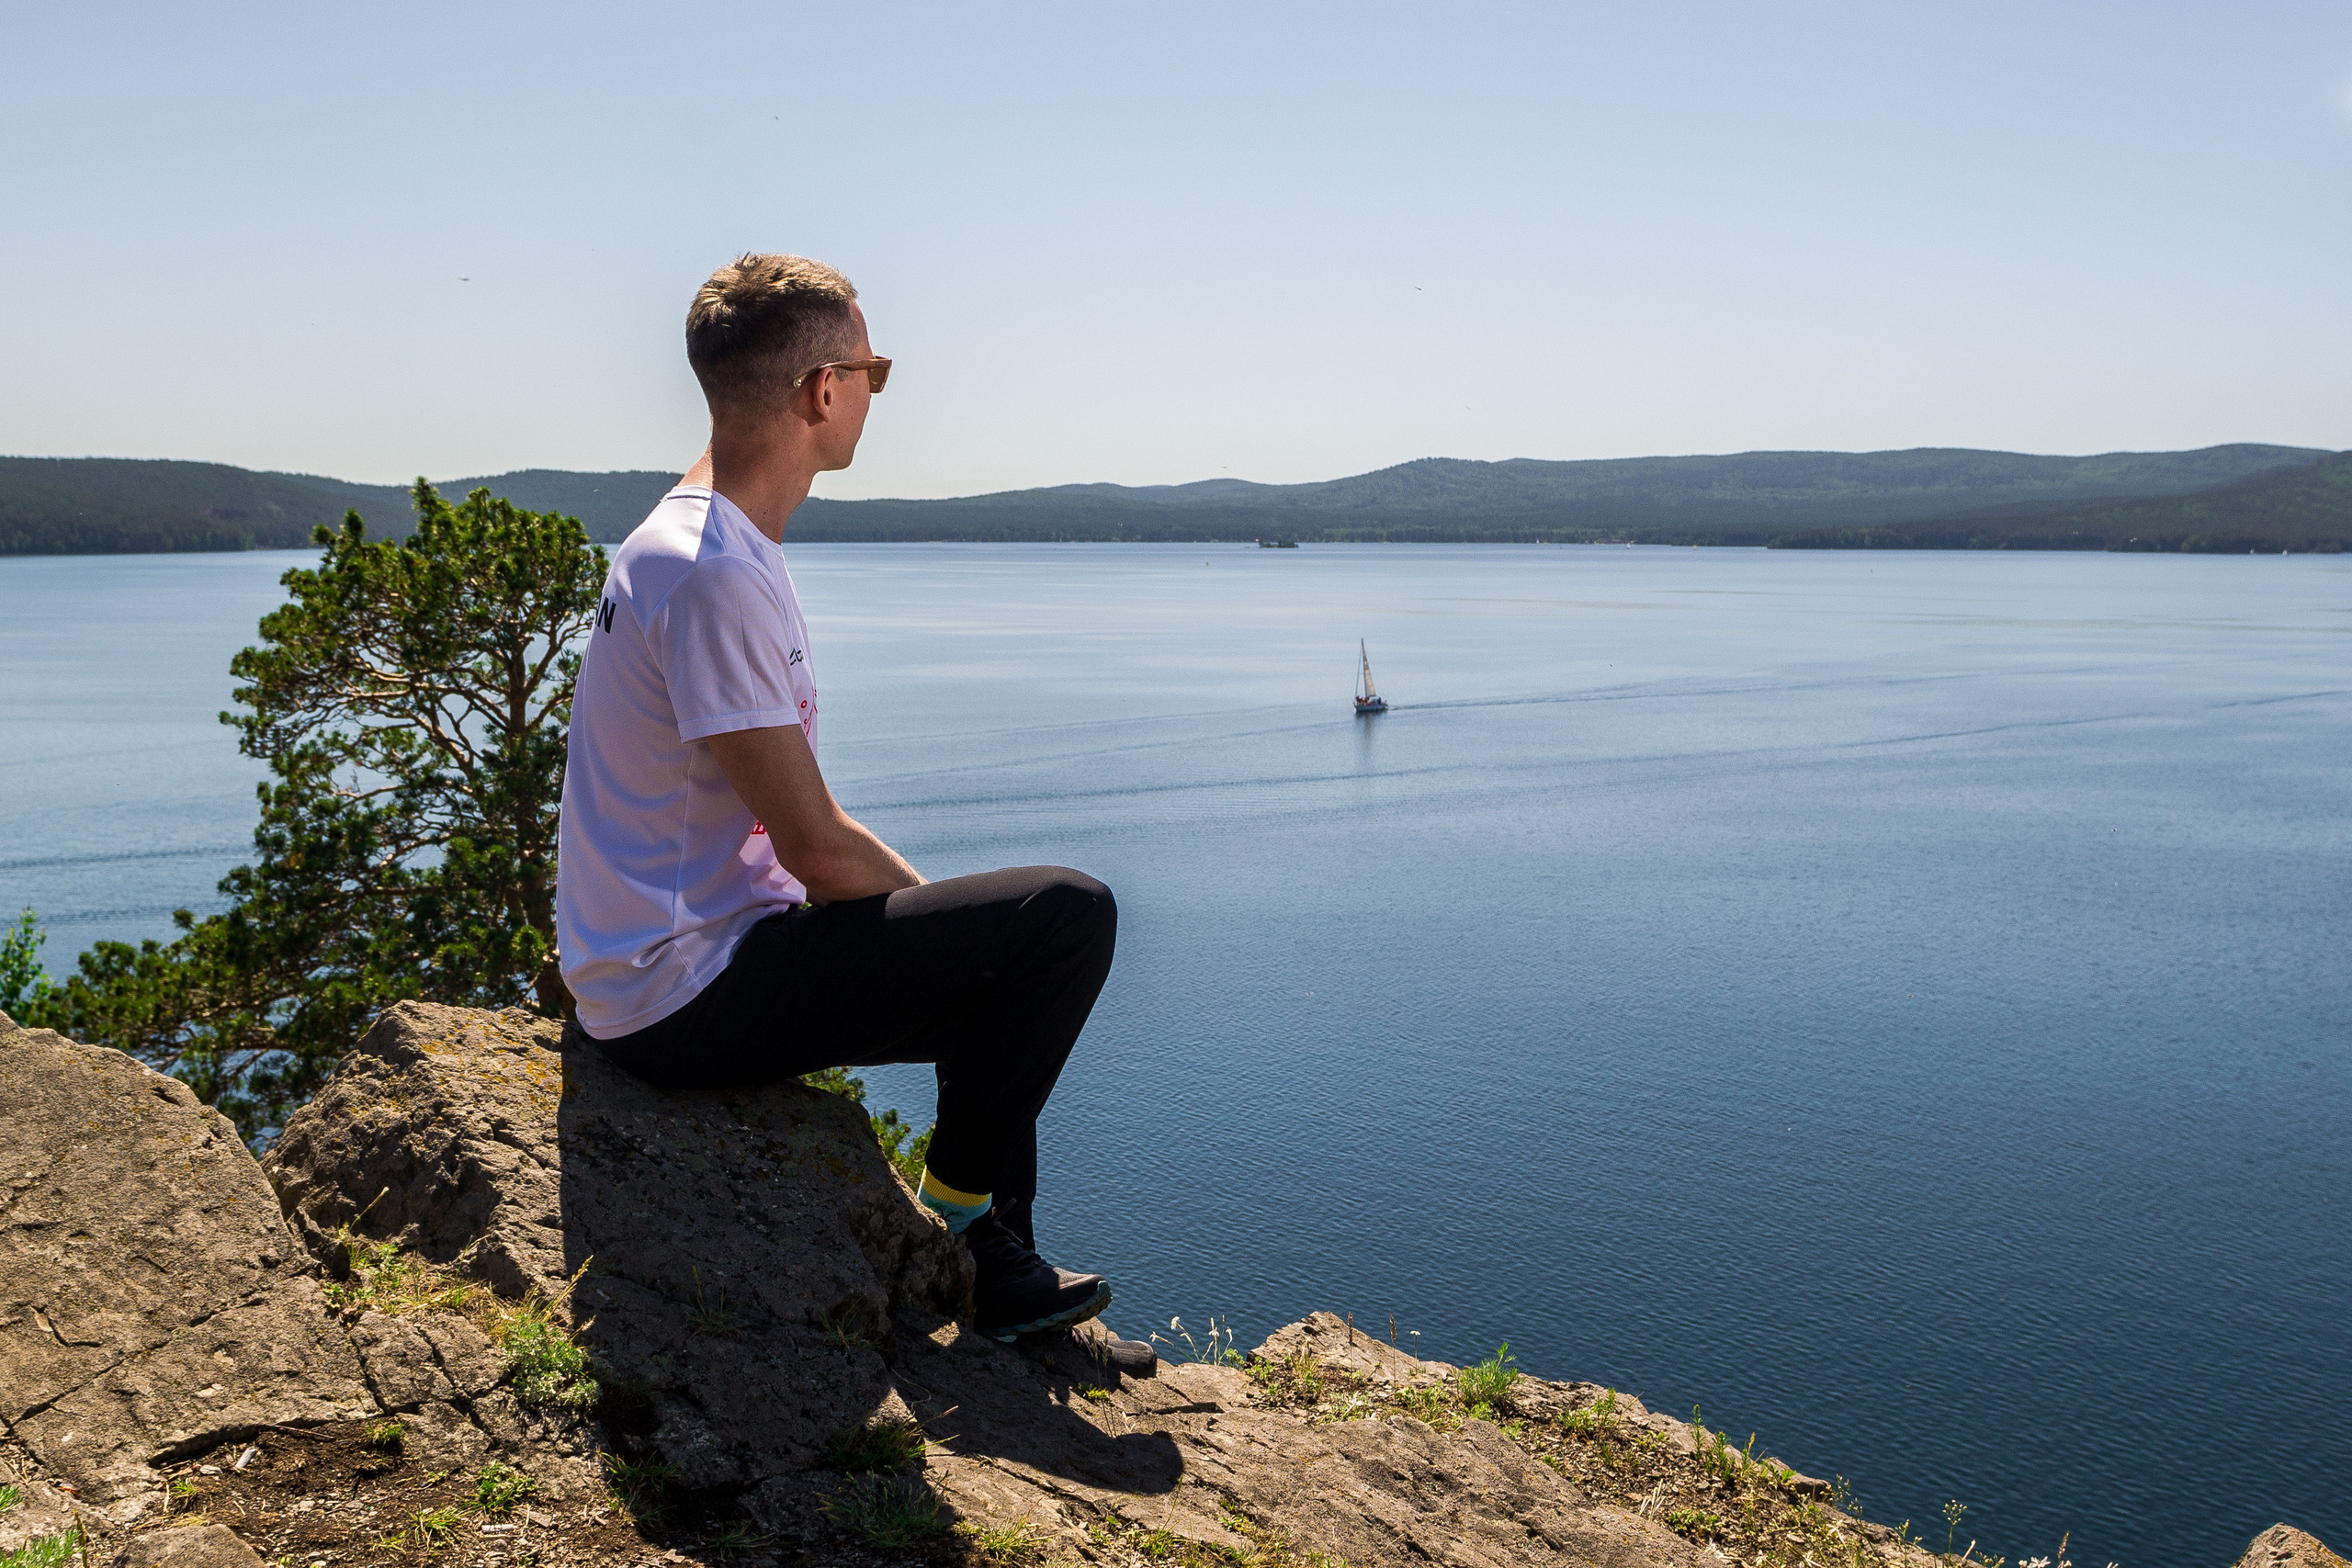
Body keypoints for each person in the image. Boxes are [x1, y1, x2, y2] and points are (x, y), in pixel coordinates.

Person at [556, 254, 1133, 1352]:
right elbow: (817, 849)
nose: (875, 389)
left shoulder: (694, 534)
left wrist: (954, 942)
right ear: (824, 392)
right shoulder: (710, 571)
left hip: (671, 963)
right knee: (1066, 916)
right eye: (873, 369)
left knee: (999, 961)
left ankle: (999, 1271)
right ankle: (967, 1228)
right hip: (686, 990)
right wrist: (961, 936)